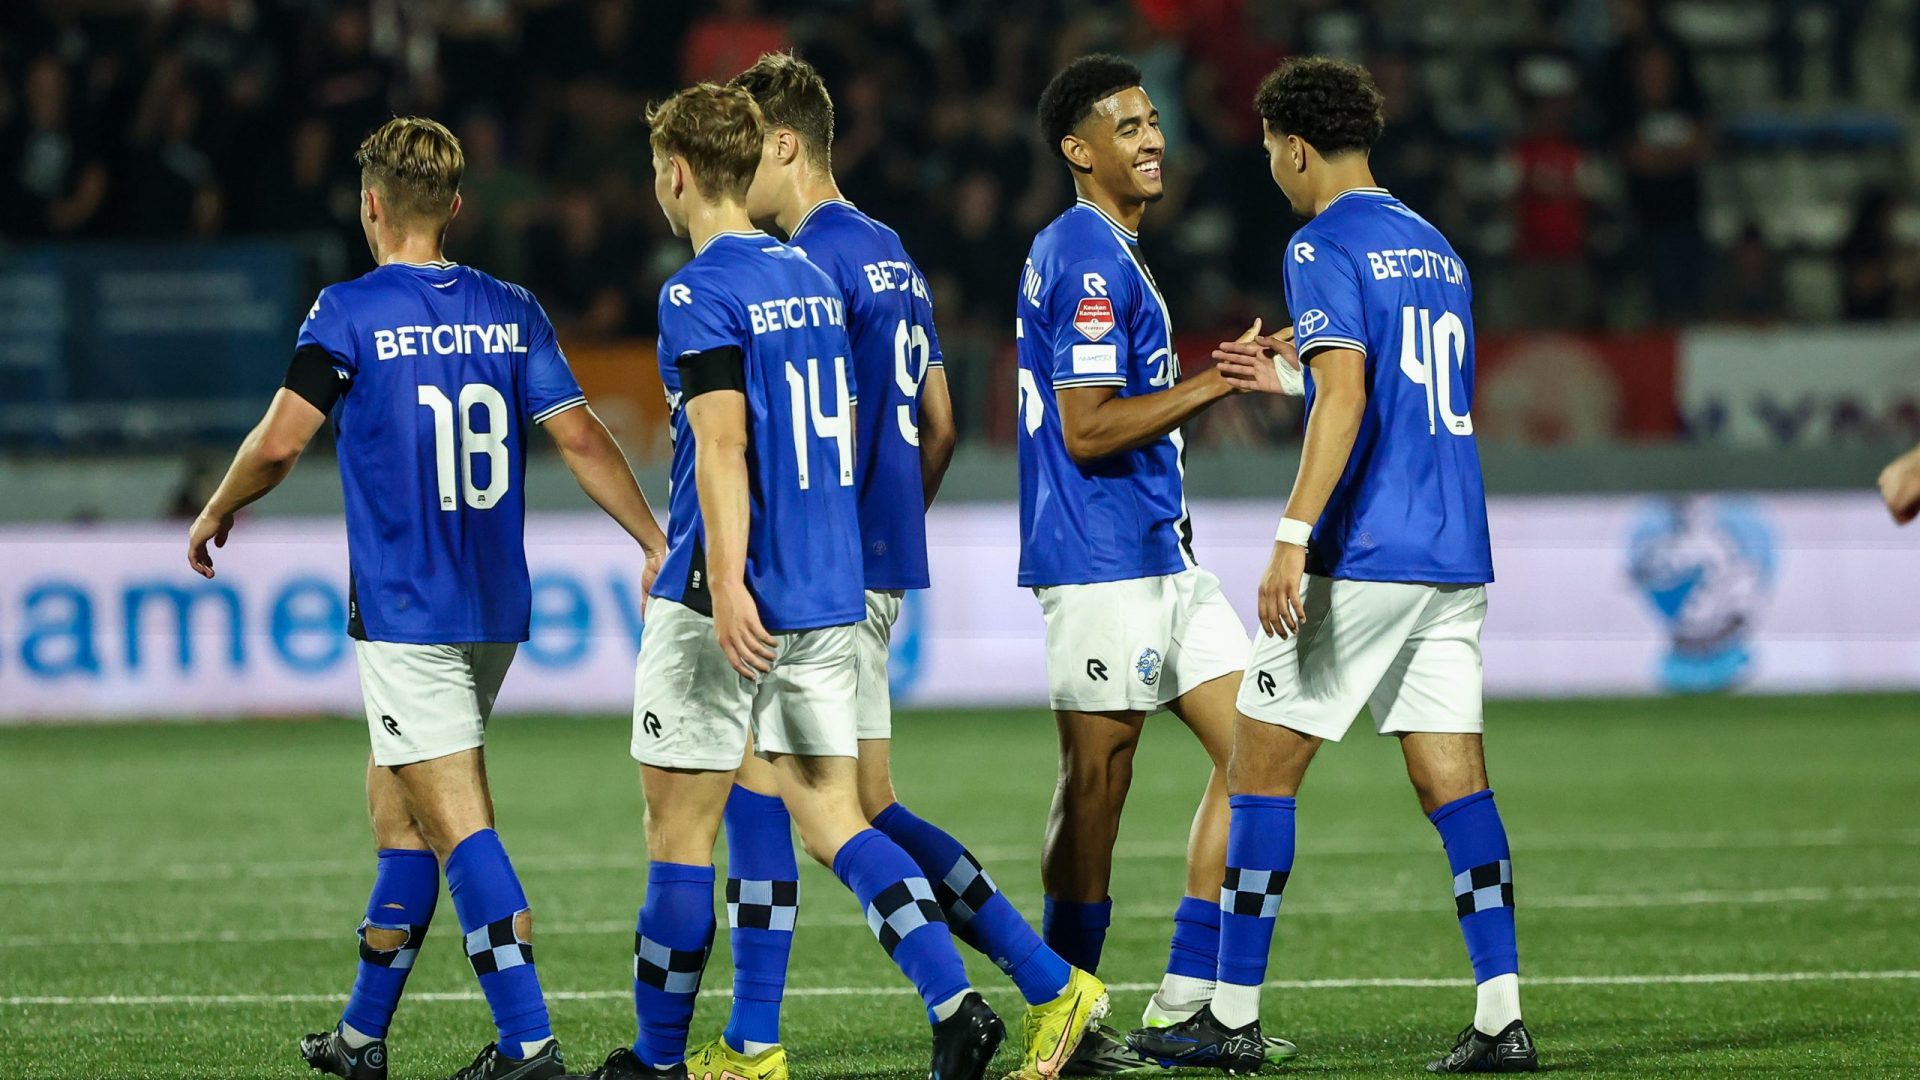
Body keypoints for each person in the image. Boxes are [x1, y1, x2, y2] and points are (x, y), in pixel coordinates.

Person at [186, 116, 670, 1080]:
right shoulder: (511, 307)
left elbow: (281, 442)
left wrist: (215, 508)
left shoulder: (346, 311)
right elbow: (577, 438)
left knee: (459, 826)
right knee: (398, 811)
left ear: (370, 204)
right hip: (494, 607)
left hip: (409, 610)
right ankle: (363, 1039)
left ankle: (529, 1042)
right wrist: (653, 538)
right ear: (454, 207)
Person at [565, 83, 1002, 1080]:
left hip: (727, 594)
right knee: (835, 818)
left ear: (676, 175)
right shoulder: (808, 275)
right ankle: (955, 999)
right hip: (822, 589)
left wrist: (723, 583)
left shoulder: (695, 292)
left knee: (679, 829)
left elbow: (720, 448)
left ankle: (658, 1059)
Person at [1125, 58, 1539, 1074]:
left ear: (1296, 147)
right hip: (1455, 552)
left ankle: (1228, 1013)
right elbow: (1383, 387)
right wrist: (1291, 372)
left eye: (1270, 149)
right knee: (1456, 785)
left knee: (1258, 769)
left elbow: (1351, 400)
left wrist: (1292, 533)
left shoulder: (1321, 242)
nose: (1270, 166)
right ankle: (1501, 1015)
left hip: (1369, 552)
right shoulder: (1437, 249)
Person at [718, 52, 1107, 1080]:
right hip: (878, 561)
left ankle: (769, 1041)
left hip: (820, 573)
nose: (731, 174)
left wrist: (809, 552)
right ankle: (1050, 986)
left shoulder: (803, 265)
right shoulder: (888, 250)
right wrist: (884, 533)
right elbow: (935, 423)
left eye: (743, 151)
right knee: (865, 803)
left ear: (786, 144)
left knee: (787, 801)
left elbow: (819, 433)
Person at [1016, 53, 1298, 1073]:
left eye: (1152, 122)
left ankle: (1184, 1001)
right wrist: (1212, 386)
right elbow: (1088, 430)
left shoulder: (1111, 253)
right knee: (1096, 789)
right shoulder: (1087, 260)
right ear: (1076, 150)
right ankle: (1069, 1014)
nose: (1150, 139)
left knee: (1259, 753)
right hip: (1100, 563)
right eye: (1124, 125)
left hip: (1163, 563)